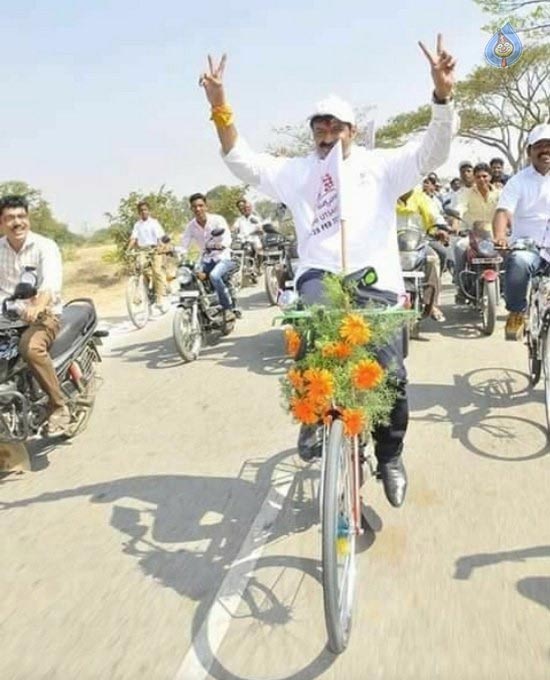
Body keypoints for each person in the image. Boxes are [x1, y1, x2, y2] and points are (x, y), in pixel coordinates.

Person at [199, 37, 456, 508]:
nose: (325, 132)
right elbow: (243, 161)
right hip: (319, 275)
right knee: (310, 341)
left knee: (392, 374)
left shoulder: (382, 166)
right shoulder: (297, 171)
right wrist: (221, 109)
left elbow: (432, 152)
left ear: (352, 131)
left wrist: (442, 98)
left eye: (334, 125)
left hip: (376, 281)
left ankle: (391, 456)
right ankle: (314, 417)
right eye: (318, 125)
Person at [0, 194, 69, 435]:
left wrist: (38, 305)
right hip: (6, 319)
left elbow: (50, 284)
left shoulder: (45, 246)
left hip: (43, 316)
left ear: (28, 219)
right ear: (1, 223)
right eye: (9, 218)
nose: (16, 222)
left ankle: (58, 406)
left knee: (30, 349)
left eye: (21, 216)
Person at [493, 123, 550, 340]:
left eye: (549, 145)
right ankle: (516, 312)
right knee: (518, 262)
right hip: (529, 246)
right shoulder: (517, 181)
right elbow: (503, 211)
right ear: (529, 151)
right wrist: (499, 236)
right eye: (540, 146)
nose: (546, 150)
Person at [180, 193, 237, 321]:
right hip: (205, 259)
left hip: (223, 257)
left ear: (206, 207)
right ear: (191, 209)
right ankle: (198, 306)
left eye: (200, 205)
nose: (198, 209)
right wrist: (174, 251)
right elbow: (184, 243)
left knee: (214, 276)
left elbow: (227, 237)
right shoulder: (191, 226)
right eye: (194, 206)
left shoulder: (217, 220)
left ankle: (227, 308)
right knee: (189, 275)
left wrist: (221, 245)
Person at [452, 162, 501, 302]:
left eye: (485, 176)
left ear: (490, 177)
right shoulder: (466, 194)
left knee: (509, 251)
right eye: (478, 177)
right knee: (459, 247)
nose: (481, 180)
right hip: (472, 235)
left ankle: (507, 285)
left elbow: (505, 210)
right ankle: (460, 286)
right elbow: (460, 207)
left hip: (493, 236)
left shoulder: (499, 194)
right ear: (474, 178)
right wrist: (455, 222)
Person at [396, 187, 446, 321]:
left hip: (419, 243)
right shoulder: (388, 197)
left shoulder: (423, 198)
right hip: (391, 245)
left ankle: (432, 303)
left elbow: (436, 216)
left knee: (434, 258)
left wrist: (441, 229)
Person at [128, 201, 168, 309]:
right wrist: (128, 250)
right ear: (138, 213)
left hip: (154, 249)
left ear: (148, 211)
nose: (143, 212)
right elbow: (133, 238)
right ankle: (139, 294)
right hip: (142, 250)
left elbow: (160, 237)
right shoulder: (137, 225)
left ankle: (159, 297)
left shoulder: (154, 223)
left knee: (157, 271)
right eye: (141, 210)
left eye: (145, 209)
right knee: (140, 269)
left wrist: (162, 247)